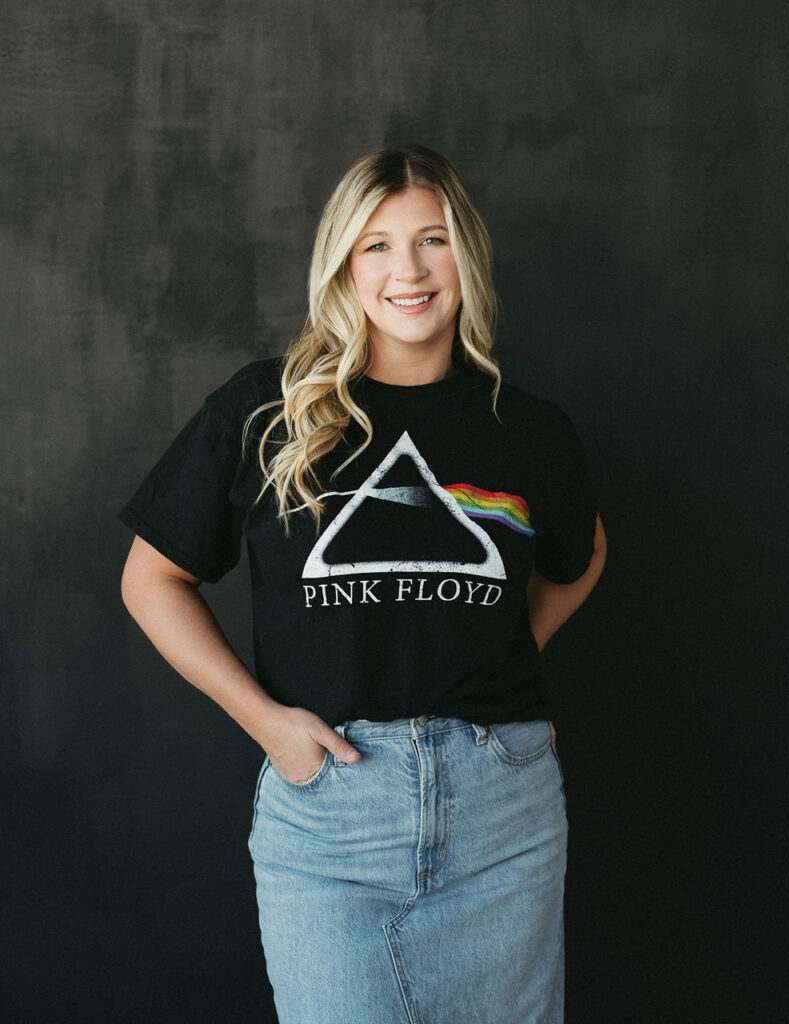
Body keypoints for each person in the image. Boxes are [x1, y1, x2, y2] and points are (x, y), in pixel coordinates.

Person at [119, 144, 607, 1024]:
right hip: (329, 816)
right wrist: (267, 725)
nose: (407, 271)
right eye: (375, 246)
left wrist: (506, 651)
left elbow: (581, 558)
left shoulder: (528, 430)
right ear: (342, 265)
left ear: (468, 256)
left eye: (432, 240)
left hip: (504, 810)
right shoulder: (268, 411)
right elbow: (152, 579)